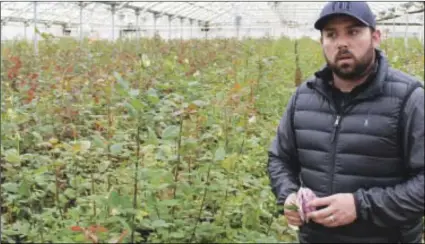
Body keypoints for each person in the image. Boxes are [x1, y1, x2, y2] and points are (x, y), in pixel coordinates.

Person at [267, 1, 424, 243]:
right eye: (331, 34)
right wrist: (288, 194)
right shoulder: (303, 97)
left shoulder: (409, 99)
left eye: (353, 32)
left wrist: (360, 206)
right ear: (322, 43)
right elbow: (280, 158)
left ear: (376, 37)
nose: (342, 43)